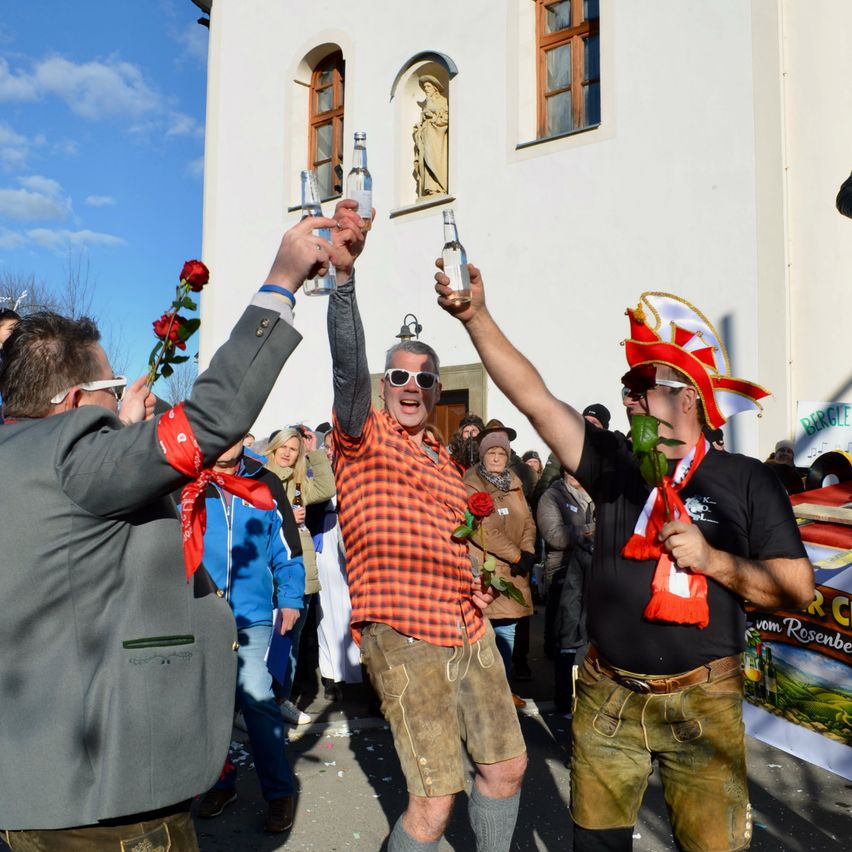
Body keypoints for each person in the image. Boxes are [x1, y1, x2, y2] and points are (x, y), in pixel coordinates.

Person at [0, 208, 364, 850]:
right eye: (111, 387)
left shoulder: (22, 455)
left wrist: (121, 429)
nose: (121, 401)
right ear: (74, 401)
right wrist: (280, 281)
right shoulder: (78, 452)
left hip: (30, 789)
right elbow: (216, 414)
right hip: (105, 801)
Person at [436, 266, 814, 852]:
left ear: (689, 395)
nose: (627, 396)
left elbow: (797, 586)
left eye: (643, 385)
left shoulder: (747, 480)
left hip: (703, 704)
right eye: (626, 385)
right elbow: (535, 400)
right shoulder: (614, 461)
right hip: (609, 697)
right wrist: (475, 317)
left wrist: (712, 560)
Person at [327, 232, 527, 851]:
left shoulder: (445, 457)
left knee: (506, 767)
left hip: (469, 625)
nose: (411, 386)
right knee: (435, 801)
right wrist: (344, 279)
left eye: (424, 378)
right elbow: (344, 364)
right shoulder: (361, 433)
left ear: (438, 390)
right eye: (398, 375)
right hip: (403, 628)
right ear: (382, 384)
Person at [195, 438, 305, 833]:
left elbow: (286, 549)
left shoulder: (266, 482)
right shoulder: (190, 481)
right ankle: (221, 784)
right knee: (212, 709)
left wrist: (290, 598)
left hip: (253, 617)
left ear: (246, 438)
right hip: (204, 616)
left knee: (258, 701)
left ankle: (279, 792)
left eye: (236, 433)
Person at [264, 425, 336, 723]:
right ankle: (259, 703)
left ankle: (281, 699)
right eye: (284, 447)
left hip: (301, 573)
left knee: (290, 643)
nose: (287, 453)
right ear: (273, 448)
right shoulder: (259, 480)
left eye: (294, 450)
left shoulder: (297, 484)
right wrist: (283, 516)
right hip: (272, 574)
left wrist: (316, 449)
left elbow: (327, 488)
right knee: (270, 641)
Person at [463, 420, 537, 708]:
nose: (496, 458)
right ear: (483, 455)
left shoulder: (514, 483)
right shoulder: (472, 483)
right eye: (492, 453)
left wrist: (528, 552)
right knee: (486, 637)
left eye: (502, 454)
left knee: (508, 633)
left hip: (517, 568)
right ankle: (486, 697)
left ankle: (502, 692)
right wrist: (517, 556)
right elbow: (483, 531)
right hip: (490, 569)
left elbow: (528, 521)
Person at [537, 469, 595, 713]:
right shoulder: (552, 496)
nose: (576, 475)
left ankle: (588, 696)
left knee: (590, 632)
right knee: (567, 634)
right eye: (570, 471)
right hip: (562, 569)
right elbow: (554, 536)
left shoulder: (595, 494)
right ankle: (564, 698)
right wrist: (589, 531)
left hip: (594, 568)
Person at [313, 426, 362, 701]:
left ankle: (357, 671)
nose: (332, 449)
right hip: (326, 536)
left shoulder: (358, 468)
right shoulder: (315, 469)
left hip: (353, 536)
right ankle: (331, 673)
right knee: (327, 609)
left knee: (352, 606)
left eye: (336, 445)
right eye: (329, 445)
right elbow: (304, 497)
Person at [413, 75, 449, 197]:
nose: (426, 88)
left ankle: (439, 186)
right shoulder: (427, 102)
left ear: (435, 88)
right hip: (426, 133)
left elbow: (445, 118)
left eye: (428, 86)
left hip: (436, 135)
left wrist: (433, 117)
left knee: (434, 158)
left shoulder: (442, 101)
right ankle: (429, 188)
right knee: (425, 160)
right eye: (424, 87)